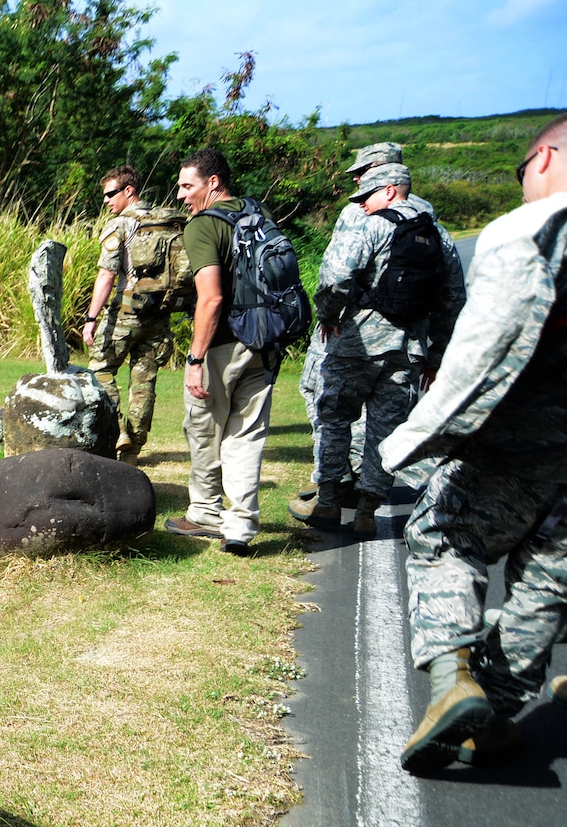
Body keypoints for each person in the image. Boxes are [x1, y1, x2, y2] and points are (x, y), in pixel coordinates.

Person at [389, 111, 567, 771]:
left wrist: (425, 431)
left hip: (519, 438)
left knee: (440, 530)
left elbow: (484, 344)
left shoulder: (534, 228)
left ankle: (453, 685)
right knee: (550, 578)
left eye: (523, 172)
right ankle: (491, 711)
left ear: (545, 158)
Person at [300, 162, 465, 533]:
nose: (362, 204)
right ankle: (367, 513)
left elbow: (336, 275)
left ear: (390, 191)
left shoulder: (370, 226)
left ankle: (326, 502)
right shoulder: (441, 236)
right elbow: (452, 301)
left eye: (367, 195)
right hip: (407, 352)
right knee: (383, 432)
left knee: (334, 419)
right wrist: (435, 357)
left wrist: (328, 315)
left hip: (354, 345)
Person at [163, 147, 282, 556]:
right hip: (264, 341)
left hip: (222, 347)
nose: (181, 195)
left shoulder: (202, 227)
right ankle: (241, 527)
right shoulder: (257, 214)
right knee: (246, 435)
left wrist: (195, 359)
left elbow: (211, 300)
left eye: (187, 186)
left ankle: (206, 513)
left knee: (204, 430)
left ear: (213, 183)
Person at [291, 141, 404, 519]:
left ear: (386, 174)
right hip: (406, 344)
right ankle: (366, 503)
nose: (357, 179)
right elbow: (450, 292)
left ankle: (331, 489)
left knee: (329, 407)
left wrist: (327, 315)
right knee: (381, 423)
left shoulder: (361, 214)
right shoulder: (426, 218)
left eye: (364, 171)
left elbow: (335, 273)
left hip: (353, 335)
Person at [81, 165, 188, 461]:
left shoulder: (120, 225)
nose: (106, 200)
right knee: (144, 382)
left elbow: (106, 276)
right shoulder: (170, 221)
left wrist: (91, 319)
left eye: (111, 194)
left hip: (125, 314)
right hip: (161, 314)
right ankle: (132, 451)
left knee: (99, 369)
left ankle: (117, 431)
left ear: (129, 191)